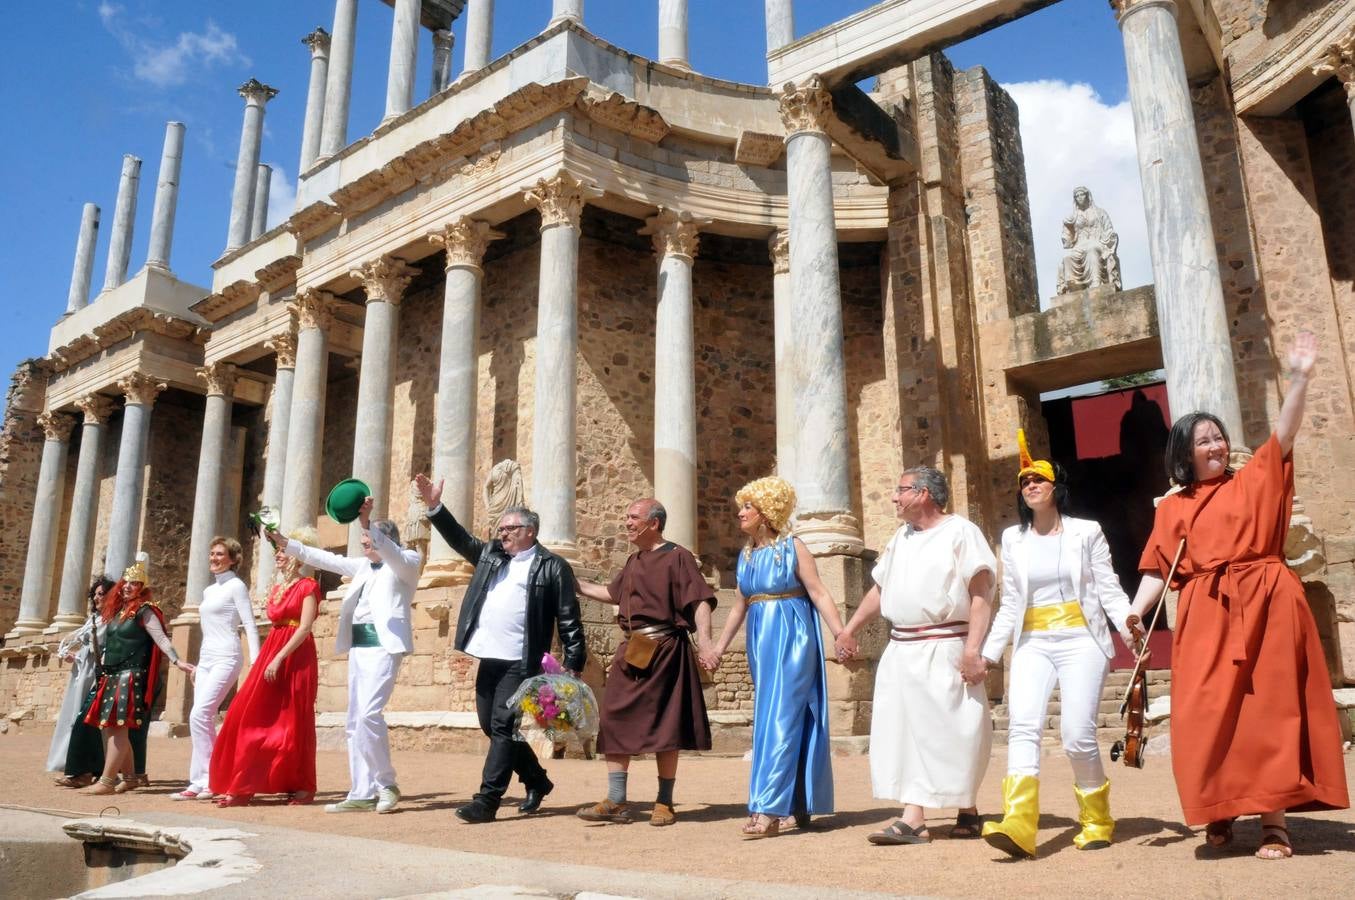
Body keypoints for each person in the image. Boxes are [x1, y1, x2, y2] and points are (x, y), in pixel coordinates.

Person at [1126, 332, 1348, 859]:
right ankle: (1219, 812)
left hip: (1269, 602)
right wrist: (1136, 611)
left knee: (1269, 711)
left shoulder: (1252, 482)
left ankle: (1275, 824)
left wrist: (1300, 378)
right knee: (1204, 712)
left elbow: (1284, 436)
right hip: (1207, 611)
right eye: (1203, 440)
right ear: (1184, 452)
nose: (1216, 446)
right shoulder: (1174, 506)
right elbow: (1160, 565)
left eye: (1218, 437)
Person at [978, 432, 1135, 858]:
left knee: (1076, 735)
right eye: (1024, 480)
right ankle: (1019, 824)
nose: (1029, 484)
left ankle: (1097, 820)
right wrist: (988, 654)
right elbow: (1010, 602)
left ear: (1056, 487)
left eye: (1038, 479)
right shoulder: (1013, 539)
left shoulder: (1087, 532)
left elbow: (1109, 590)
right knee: (1022, 726)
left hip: (1081, 639)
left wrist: (1130, 629)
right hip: (1033, 641)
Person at [414, 474, 586, 823]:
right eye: (501, 528)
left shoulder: (553, 567)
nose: (502, 533)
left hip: (520, 662)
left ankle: (487, 800)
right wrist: (435, 507)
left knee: (504, 726)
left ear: (530, 532)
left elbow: (569, 618)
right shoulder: (492, 556)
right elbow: (461, 540)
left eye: (510, 528)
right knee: (491, 727)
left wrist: (574, 661)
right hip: (489, 656)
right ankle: (537, 779)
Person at [837, 467, 995, 844]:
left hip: (945, 646)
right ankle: (914, 817)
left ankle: (967, 808)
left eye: (901, 489)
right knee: (903, 730)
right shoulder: (901, 538)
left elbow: (981, 593)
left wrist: (974, 650)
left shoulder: (961, 533)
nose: (894, 497)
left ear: (923, 493)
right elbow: (880, 588)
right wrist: (850, 628)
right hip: (902, 649)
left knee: (952, 731)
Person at [709, 476, 857, 839]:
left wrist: (840, 632)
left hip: (794, 639)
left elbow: (819, 593)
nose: (740, 513)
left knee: (782, 718)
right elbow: (739, 607)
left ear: (767, 512)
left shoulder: (794, 547)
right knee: (770, 718)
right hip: (762, 642)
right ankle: (796, 804)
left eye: (748, 507)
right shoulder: (746, 555)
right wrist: (718, 647)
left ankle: (769, 808)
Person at [268, 496, 418, 814]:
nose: (365, 543)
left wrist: (366, 522)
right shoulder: (363, 567)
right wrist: (285, 542)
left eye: (369, 539)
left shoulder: (407, 563)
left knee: (368, 715)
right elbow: (323, 559)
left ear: (386, 539)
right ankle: (361, 791)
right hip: (359, 649)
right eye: (363, 539)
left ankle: (387, 784)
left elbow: (391, 553)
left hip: (384, 647)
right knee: (354, 721)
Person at [576, 498, 717, 827]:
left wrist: (707, 645)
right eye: (626, 517)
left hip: (667, 648)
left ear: (653, 523)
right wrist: (574, 584)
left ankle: (665, 802)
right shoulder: (633, 560)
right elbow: (613, 594)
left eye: (633, 517)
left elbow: (700, 601)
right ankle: (615, 799)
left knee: (666, 724)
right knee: (613, 716)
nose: (626, 522)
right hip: (633, 648)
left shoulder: (677, 556)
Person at [209, 526, 323, 806]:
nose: (279, 556)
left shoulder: (308, 586)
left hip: (295, 655)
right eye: (277, 551)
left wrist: (279, 657)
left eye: (284, 551)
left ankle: (301, 786)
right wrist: (270, 656)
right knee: (245, 713)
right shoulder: (277, 588)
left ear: (298, 555)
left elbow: (305, 626)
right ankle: (241, 782)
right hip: (273, 649)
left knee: (293, 721)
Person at [80, 554, 196, 795]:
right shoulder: (117, 612)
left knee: (117, 728)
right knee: (112, 727)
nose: (127, 587)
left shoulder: (146, 611)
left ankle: (107, 781)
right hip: (112, 675)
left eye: (134, 583)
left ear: (142, 587)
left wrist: (178, 660)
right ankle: (131, 777)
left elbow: (162, 638)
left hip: (130, 676)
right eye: (125, 582)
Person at [170, 537, 261, 801]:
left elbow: (249, 624)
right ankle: (199, 781)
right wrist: (199, 665)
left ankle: (214, 779)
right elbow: (208, 631)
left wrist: (255, 660)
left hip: (228, 656)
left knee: (200, 714)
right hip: (208, 659)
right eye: (212, 554)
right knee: (198, 718)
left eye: (220, 554)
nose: (214, 558)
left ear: (233, 559)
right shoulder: (209, 591)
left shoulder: (236, 586)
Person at [48, 578, 114, 785]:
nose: (96, 597)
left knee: (87, 720)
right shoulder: (93, 618)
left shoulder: (111, 620)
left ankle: (87, 770)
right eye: (95, 594)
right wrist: (73, 656)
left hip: (97, 672)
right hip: (83, 670)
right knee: (76, 717)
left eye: (101, 594)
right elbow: (82, 640)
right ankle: (78, 768)